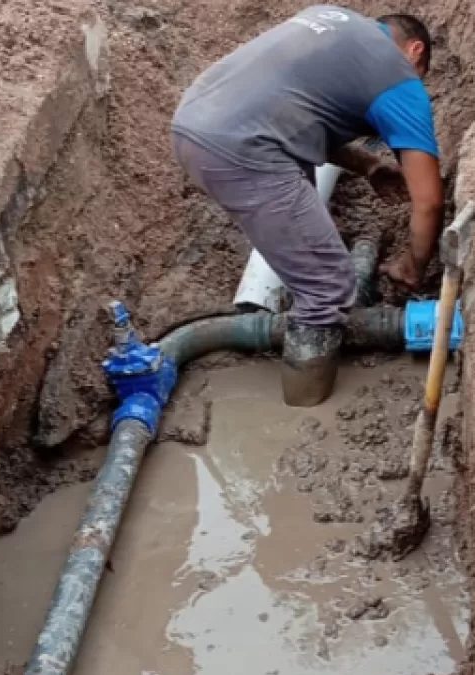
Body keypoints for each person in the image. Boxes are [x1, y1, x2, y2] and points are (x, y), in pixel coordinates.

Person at [171, 6, 443, 407]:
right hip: (240, 149)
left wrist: (367, 164)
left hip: (195, 119)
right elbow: (429, 200)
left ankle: (298, 298)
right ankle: (304, 407)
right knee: (328, 285)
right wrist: (413, 266)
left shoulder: (329, 19)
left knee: (306, 213)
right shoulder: (401, 80)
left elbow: (295, 111)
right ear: (415, 51)